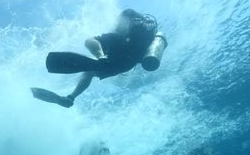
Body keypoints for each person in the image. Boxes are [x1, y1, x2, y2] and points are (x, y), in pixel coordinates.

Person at [31, 9, 167, 108]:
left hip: (114, 63)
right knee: (91, 69)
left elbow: (89, 41)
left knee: (90, 69)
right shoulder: (147, 34)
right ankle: (70, 97)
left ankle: (70, 97)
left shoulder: (116, 37)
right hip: (125, 64)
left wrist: (100, 55)